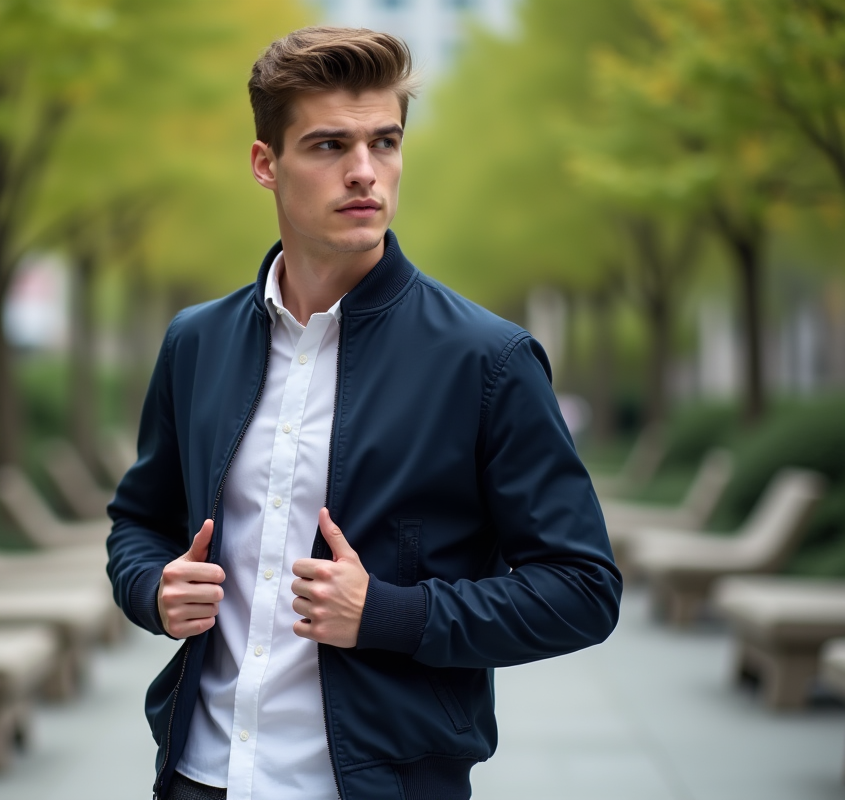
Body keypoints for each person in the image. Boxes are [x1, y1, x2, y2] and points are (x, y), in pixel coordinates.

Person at [107, 26, 621, 800]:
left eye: (385, 143)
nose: (363, 173)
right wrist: (154, 587)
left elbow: (582, 589)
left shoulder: (488, 361)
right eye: (327, 146)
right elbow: (136, 523)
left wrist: (390, 613)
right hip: (199, 776)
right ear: (265, 164)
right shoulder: (196, 343)